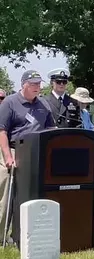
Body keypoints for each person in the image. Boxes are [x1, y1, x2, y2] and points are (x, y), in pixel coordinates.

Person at [0, 70, 55, 244]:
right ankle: (1, 235)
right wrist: (8, 157)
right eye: (33, 84)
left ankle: (32, 232)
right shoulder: (9, 102)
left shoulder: (43, 104)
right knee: (7, 191)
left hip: (38, 152)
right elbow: (2, 131)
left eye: (39, 84)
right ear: (23, 84)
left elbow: (51, 129)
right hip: (15, 150)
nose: (37, 87)